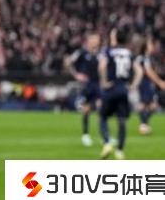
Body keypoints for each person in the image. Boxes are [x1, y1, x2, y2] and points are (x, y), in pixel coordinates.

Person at [98, 26, 143, 160]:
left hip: (111, 88)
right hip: (123, 89)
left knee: (102, 117)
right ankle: (120, 151)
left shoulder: (108, 51)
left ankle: (107, 143)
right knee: (122, 120)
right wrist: (133, 85)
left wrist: (104, 82)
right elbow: (139, 71)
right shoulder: (129, 53)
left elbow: (102, 66)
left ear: (115, 38)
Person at [64, 33, 101, 146]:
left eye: (97, 39)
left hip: (99, 84)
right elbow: (67, 62)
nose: (96, 41)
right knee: (86, 109)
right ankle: (85, 135)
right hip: (88, 85)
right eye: (94, 39)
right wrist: (76, 75)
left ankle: (104, 136)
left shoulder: (101, 53)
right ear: (89, 41)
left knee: (101, 108)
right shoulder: (81, 52)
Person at [136, 36, 165, 135]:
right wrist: (159, 82)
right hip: (145, 83)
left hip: (145, 83)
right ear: (146, 46)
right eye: (150, 44)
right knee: (150, 105)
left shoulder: (145, 57)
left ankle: (144, 124)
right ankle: (143, 124)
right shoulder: (144, 58)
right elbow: (149, 72)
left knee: (149, 105)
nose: (152, 46)